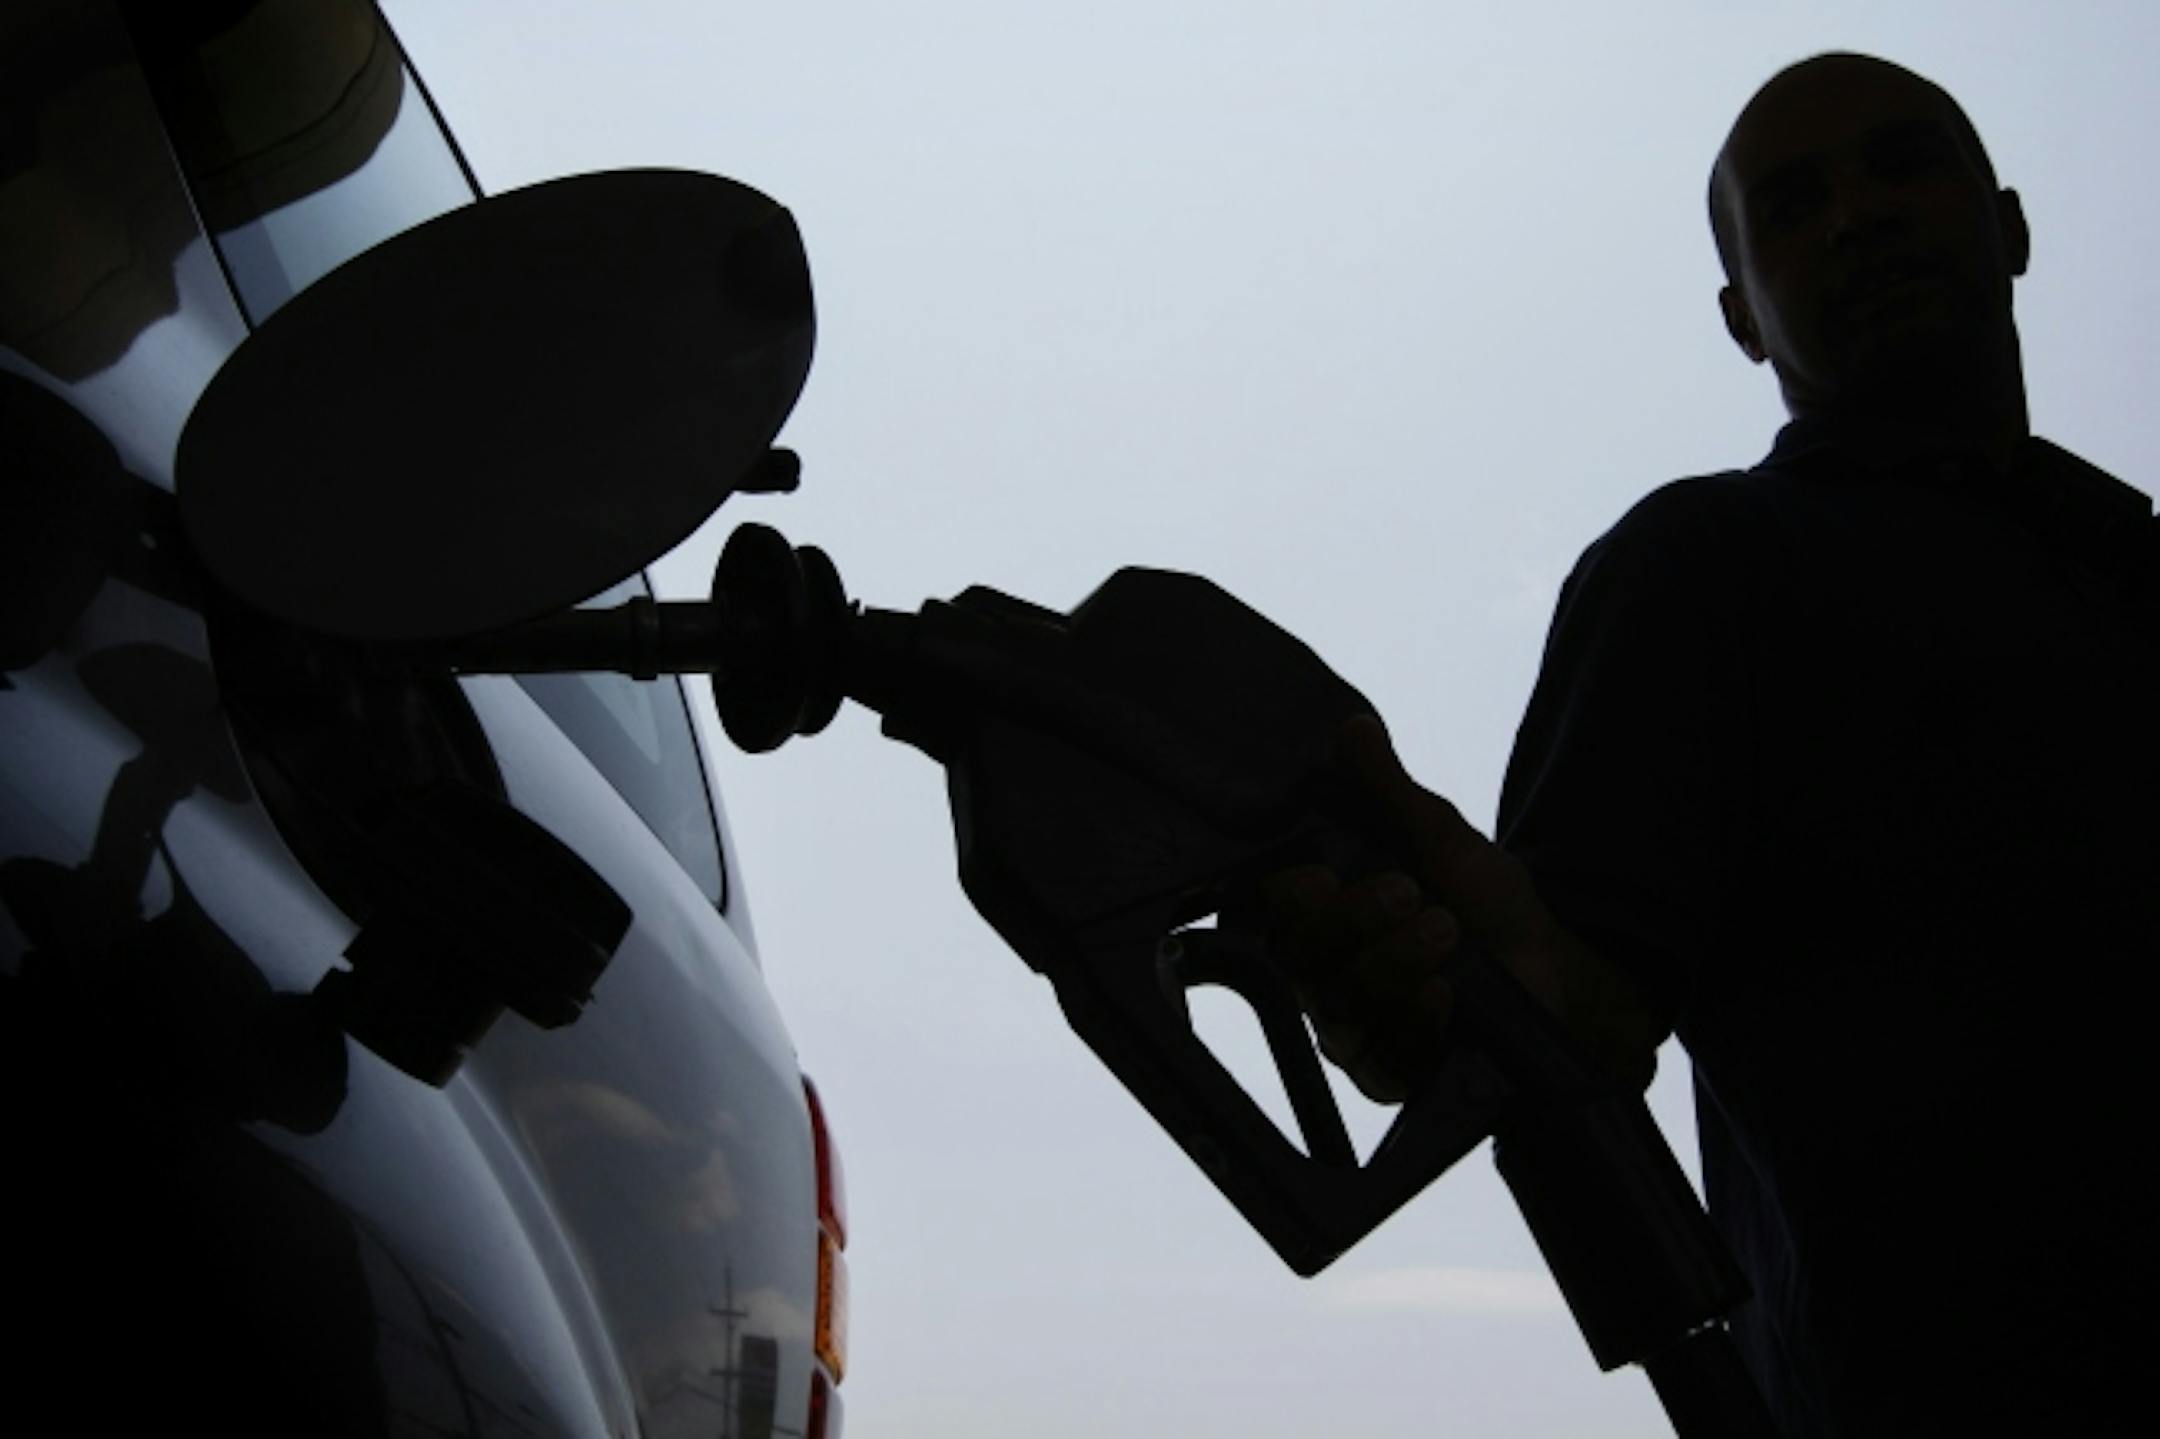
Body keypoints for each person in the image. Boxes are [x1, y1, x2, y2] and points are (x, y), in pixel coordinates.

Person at [1270, 52, 2157, 1437]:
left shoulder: (2129, 567)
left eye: (1901, 163)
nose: (1857, 215)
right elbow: (1561, 1010)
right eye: (1795, 204)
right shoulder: (1707, 572)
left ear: (2015, 225)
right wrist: (1439, 987)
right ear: (1742, 314)